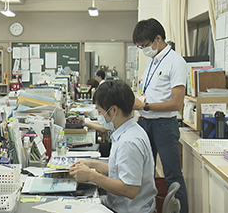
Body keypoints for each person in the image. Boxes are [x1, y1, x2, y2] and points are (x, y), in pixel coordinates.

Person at [69, 81, 157, 213]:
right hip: (122, 205)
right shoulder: (129, 131)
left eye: (100, 111)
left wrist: (92, 176)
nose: (99, 116)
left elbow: (129, 189)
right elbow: (121, 169)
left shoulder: (129, 142)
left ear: (114, 110)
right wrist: (92, 164)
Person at [132, 18, 188, 213]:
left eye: (145, 45)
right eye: (140, 47)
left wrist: (145, 106)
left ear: (158, 39)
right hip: (145, 122)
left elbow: (177, 103)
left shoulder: (176, 62)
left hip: (164, 125)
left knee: (173, 176)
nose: (144, 49)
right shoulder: (151, 62)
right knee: (144, 174)